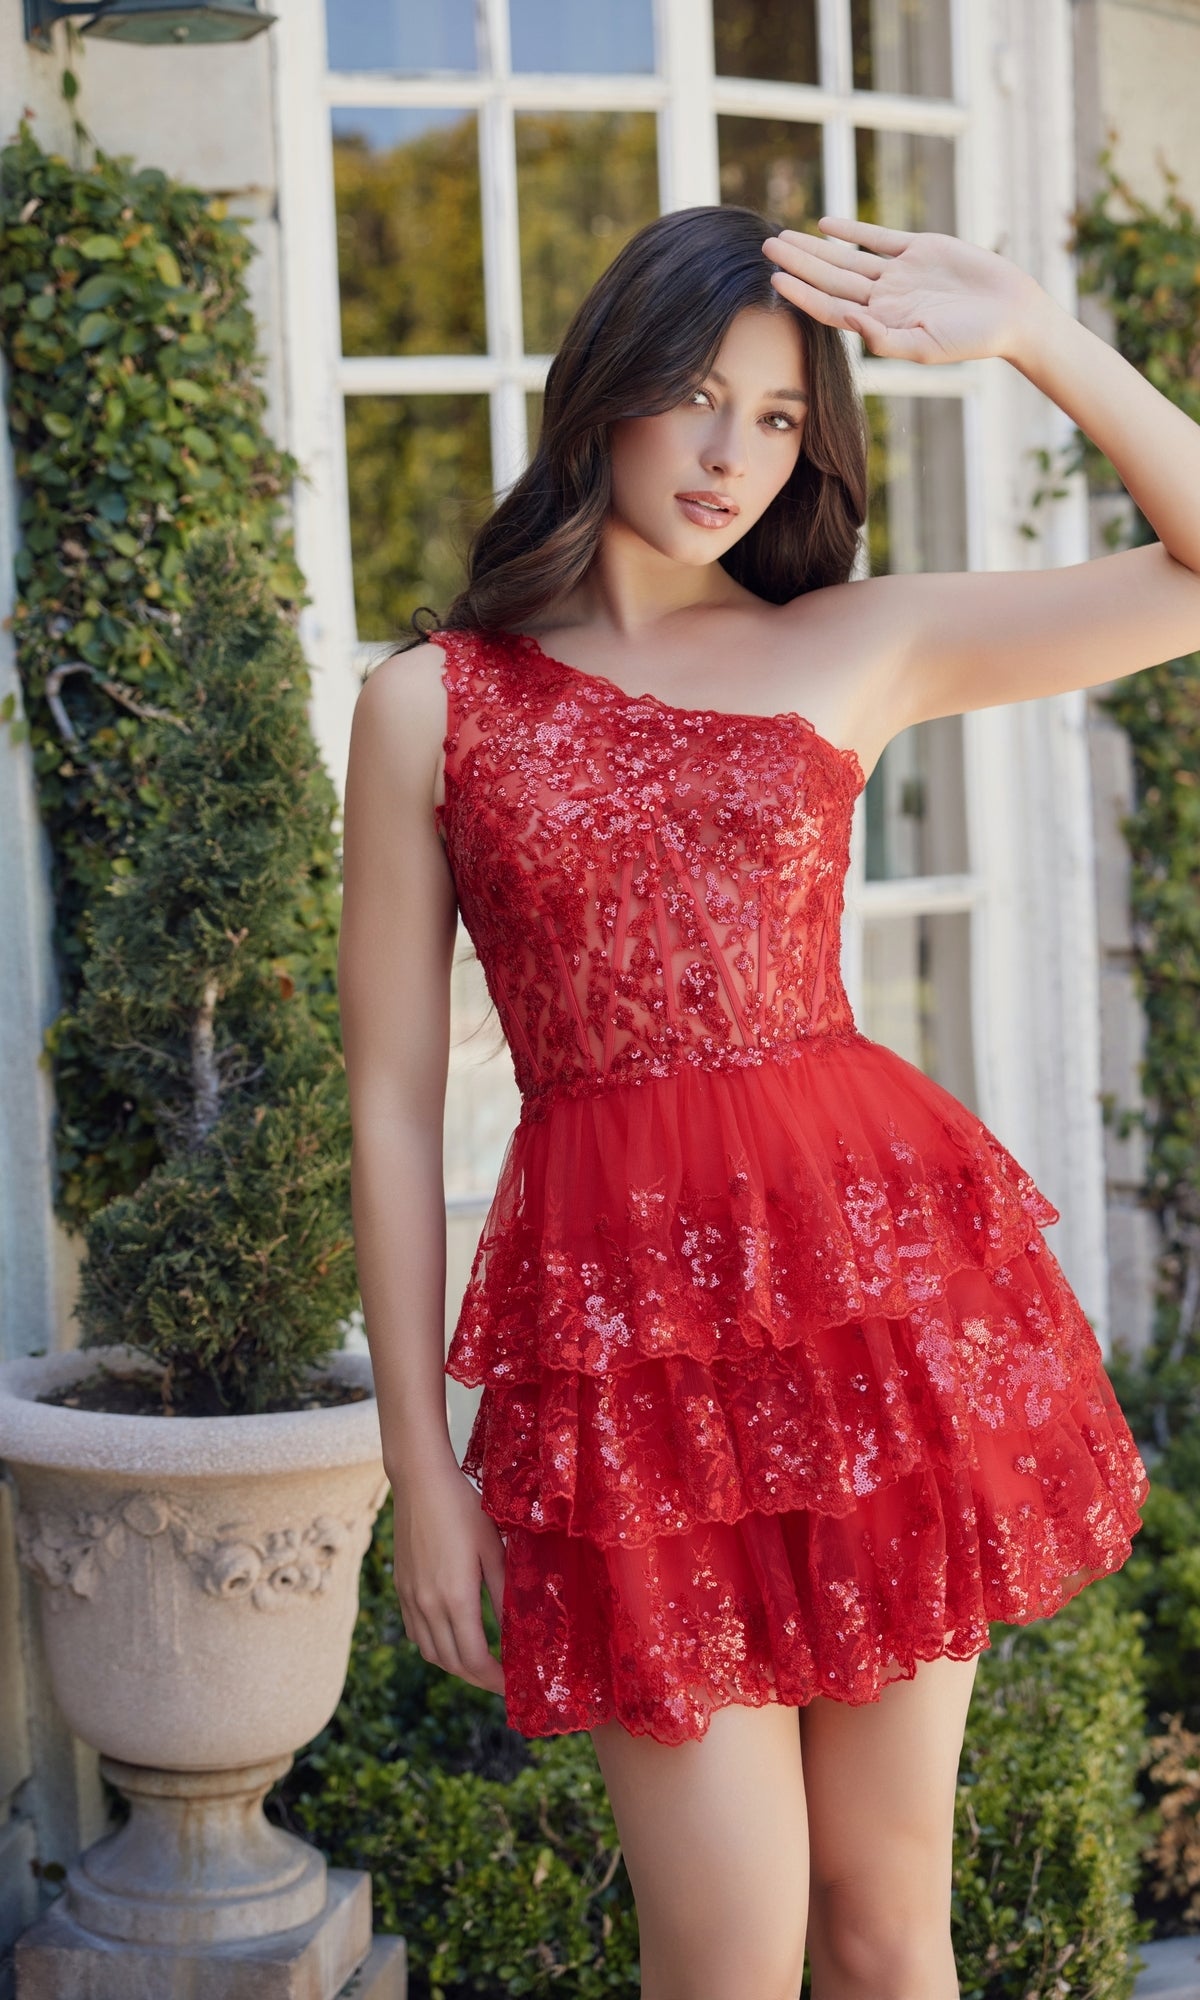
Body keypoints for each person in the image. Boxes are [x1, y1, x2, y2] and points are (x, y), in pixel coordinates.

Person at [336, 203, 1194, 2000]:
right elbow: (398, 1101)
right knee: (725, 1955)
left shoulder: (857, 639)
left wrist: (1036, 331)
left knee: (889, 1938)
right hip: (633, 1366)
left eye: (784, 417)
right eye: (697, 397)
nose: (733, 453)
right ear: (605, 393)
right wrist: (420, 1459)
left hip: (876, 1318)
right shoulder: (431, 703)